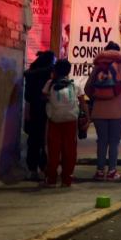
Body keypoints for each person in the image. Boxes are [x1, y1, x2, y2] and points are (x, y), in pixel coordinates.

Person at [85, 41, 121, 181]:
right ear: (119, 52)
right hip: (118, 110)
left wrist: (96, 98)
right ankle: (112, 172)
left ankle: (100, 171)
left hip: (99, 110)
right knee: (114, 142)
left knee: (101, 141)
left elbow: (87, 87)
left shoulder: (98, 67)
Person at [43, 59, 85, 188]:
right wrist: (86, 117)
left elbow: (44, 98)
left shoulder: (50, 84)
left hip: (54, 121)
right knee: (70, 150)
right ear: (69, 70)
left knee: (53, 150)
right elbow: (82, 103)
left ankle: (51, 179)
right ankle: (67, 179)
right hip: (71, 121)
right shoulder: (74, 84)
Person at [23, 50, 55, 181]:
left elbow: (28, 97)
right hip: (48, 111)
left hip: (34, 111)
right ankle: (44, 168)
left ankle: (32, 169)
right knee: (46, 142)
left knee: (33, 141)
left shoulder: (31, 75)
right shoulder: (50, 75)